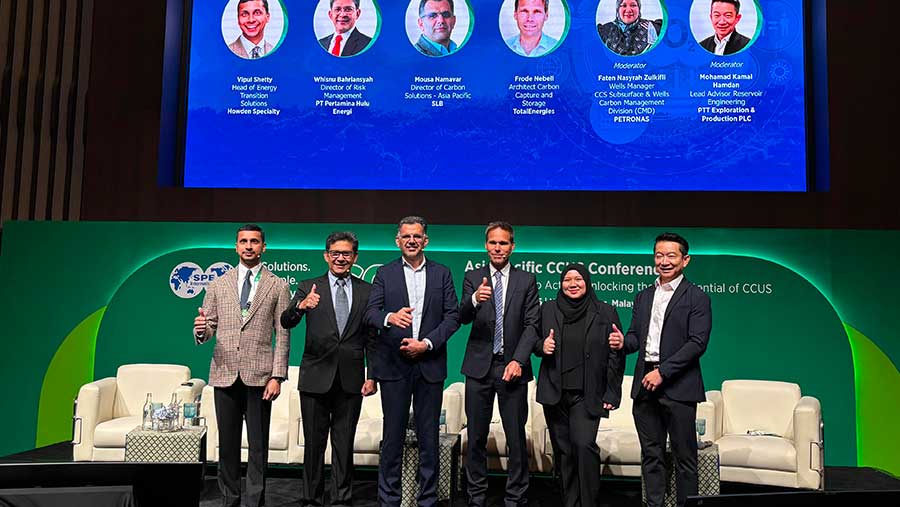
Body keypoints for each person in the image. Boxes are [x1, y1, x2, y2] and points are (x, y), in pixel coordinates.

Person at [609, 232, 712, 507]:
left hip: (679, 386)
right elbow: (636, 337)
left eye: (671, 255)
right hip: (645, 386)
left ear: (685, 260)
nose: (664, 261)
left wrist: (663, 372)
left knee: (684, 458)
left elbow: (697, 343)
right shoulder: (643, 296)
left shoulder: (697, 297)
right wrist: (622, 343)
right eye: (659, 255)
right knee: (651, 455)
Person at [364, 216, 460, 507]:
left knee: (429, 438)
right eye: (406, 236)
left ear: (425, 240)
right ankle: (389, 500)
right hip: (394, 366)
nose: (411, 241)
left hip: (429, 365)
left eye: (417, 236)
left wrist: (426, 344)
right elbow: (370, 313)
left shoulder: (442, 273)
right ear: (398, 241)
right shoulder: (384, 273)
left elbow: (452, 317)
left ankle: (427, 500)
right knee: (392, 438)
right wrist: (389, 317)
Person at [193, 224, 291, 507]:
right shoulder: (218, 283)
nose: (249, 246)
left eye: (254, 241)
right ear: (236, 246)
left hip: (260, 376)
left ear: (263, 247)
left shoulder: (278, 285)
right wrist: (201, 329)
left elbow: (283, 334)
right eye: (244, 241)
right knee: (228, 445)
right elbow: (209, 326)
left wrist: (277, 376)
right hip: (224, 373)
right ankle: (230, 500)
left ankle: (255, 501)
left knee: (258, 447)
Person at [280, 231, 377, 507]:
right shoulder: (308, 286)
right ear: (326, 256)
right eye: (335, 253)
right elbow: (286, 321)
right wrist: (301, 306)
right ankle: (311, 498)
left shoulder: (367, 291)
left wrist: (373, 376)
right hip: (315, 378)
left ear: (355, 257)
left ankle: (341, 498)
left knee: (344, 443)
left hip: (351, 378)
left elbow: (372, 338)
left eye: (346, 254)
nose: (340, 258)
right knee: (314, 443)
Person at [458, 221, 540, 507]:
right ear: (486, 245)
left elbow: (532, 325)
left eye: (503, 243)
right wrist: (473, 300)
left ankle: (515, 497)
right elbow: (462, 317)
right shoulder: (473, 277)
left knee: (516, 438)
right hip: (479, 368)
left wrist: (518, 360)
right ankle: (476, 497)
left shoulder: (526, 280)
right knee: (476, 437)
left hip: (512, 368)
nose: (497, 248)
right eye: (493, 242)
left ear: (512, 247)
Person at [534, 264, 624, 507]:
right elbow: (532, 339)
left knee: (584, 446)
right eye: (567, 280)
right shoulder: (547, 309)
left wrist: (612, 392)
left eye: (578, 279)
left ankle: (589, 502)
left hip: (587, 394)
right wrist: (541, 346)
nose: (572, 284)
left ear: (587, 282)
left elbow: (616, 354)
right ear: (560, 284)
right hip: (555, 394)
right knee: (564, 453)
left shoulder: (605, 311)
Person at [597, 0, 663, 56]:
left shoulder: (653, 28)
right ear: (618, 9)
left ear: (639, 9)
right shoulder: (604, 31)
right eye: (624, 5)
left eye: (633, 5)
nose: (628, 10)